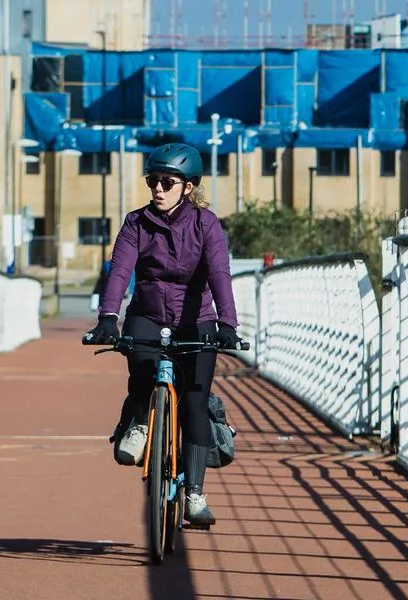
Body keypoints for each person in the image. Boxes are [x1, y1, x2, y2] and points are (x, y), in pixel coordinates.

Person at [84, 142, 240, 527]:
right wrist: (108, 316)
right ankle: (138, 421)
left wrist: (228, 325)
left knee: (194, 403)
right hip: (148, 313)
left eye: (167, 182)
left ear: (188, 187)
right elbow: (120, 270)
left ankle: (196, 497)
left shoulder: (207, 224)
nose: (157, 188)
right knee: (140, 368)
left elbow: (220, 274)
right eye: (152, 180)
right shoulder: (136, 223)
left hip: (196, 320)